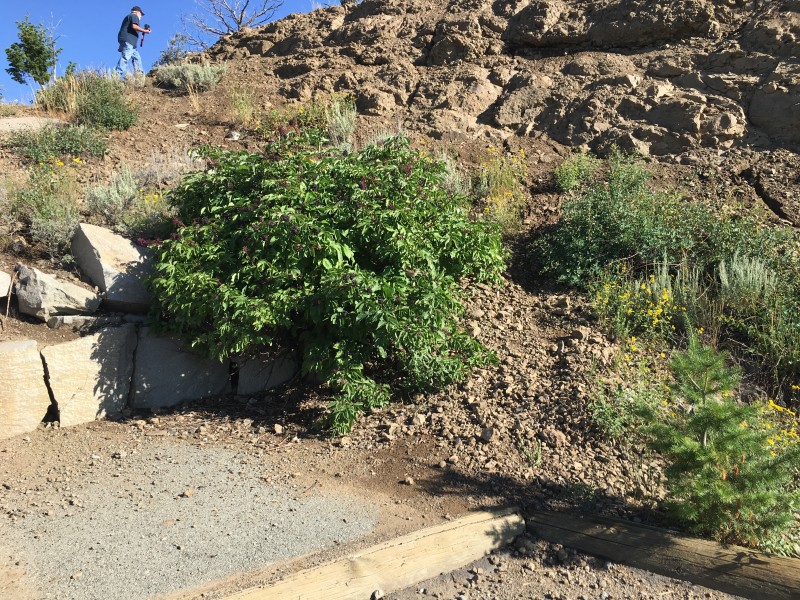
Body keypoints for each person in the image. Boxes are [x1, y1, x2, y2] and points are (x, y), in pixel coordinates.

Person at [114, 6, 151, 79]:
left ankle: (139, 76)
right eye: (141, 14)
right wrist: (145, 31)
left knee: (137, 59)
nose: (141, 16)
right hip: (129, 42)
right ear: (137, 12)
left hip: (130, 43)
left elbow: (124, 30)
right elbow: (134, 26)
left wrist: (121, 45)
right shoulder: (134, 16)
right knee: (125, 57)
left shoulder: (128, 17)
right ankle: (117, 76)